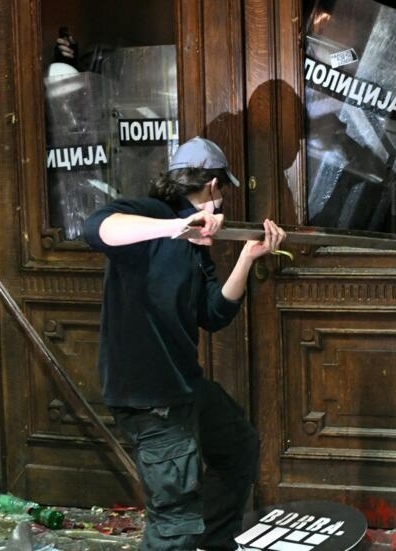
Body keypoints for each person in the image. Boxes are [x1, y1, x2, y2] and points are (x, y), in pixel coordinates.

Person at [83, 137, 286, 551]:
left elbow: (213, 314)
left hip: (183, 385)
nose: (223, 199)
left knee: (238, 449)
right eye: (223, 190)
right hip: (149, 395)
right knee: (175, 523)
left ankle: (211, 542)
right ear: (213, 187)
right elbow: (96, 228)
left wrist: (248, 258)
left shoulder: (199, 248)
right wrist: (177, 228)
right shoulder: (151, 216)